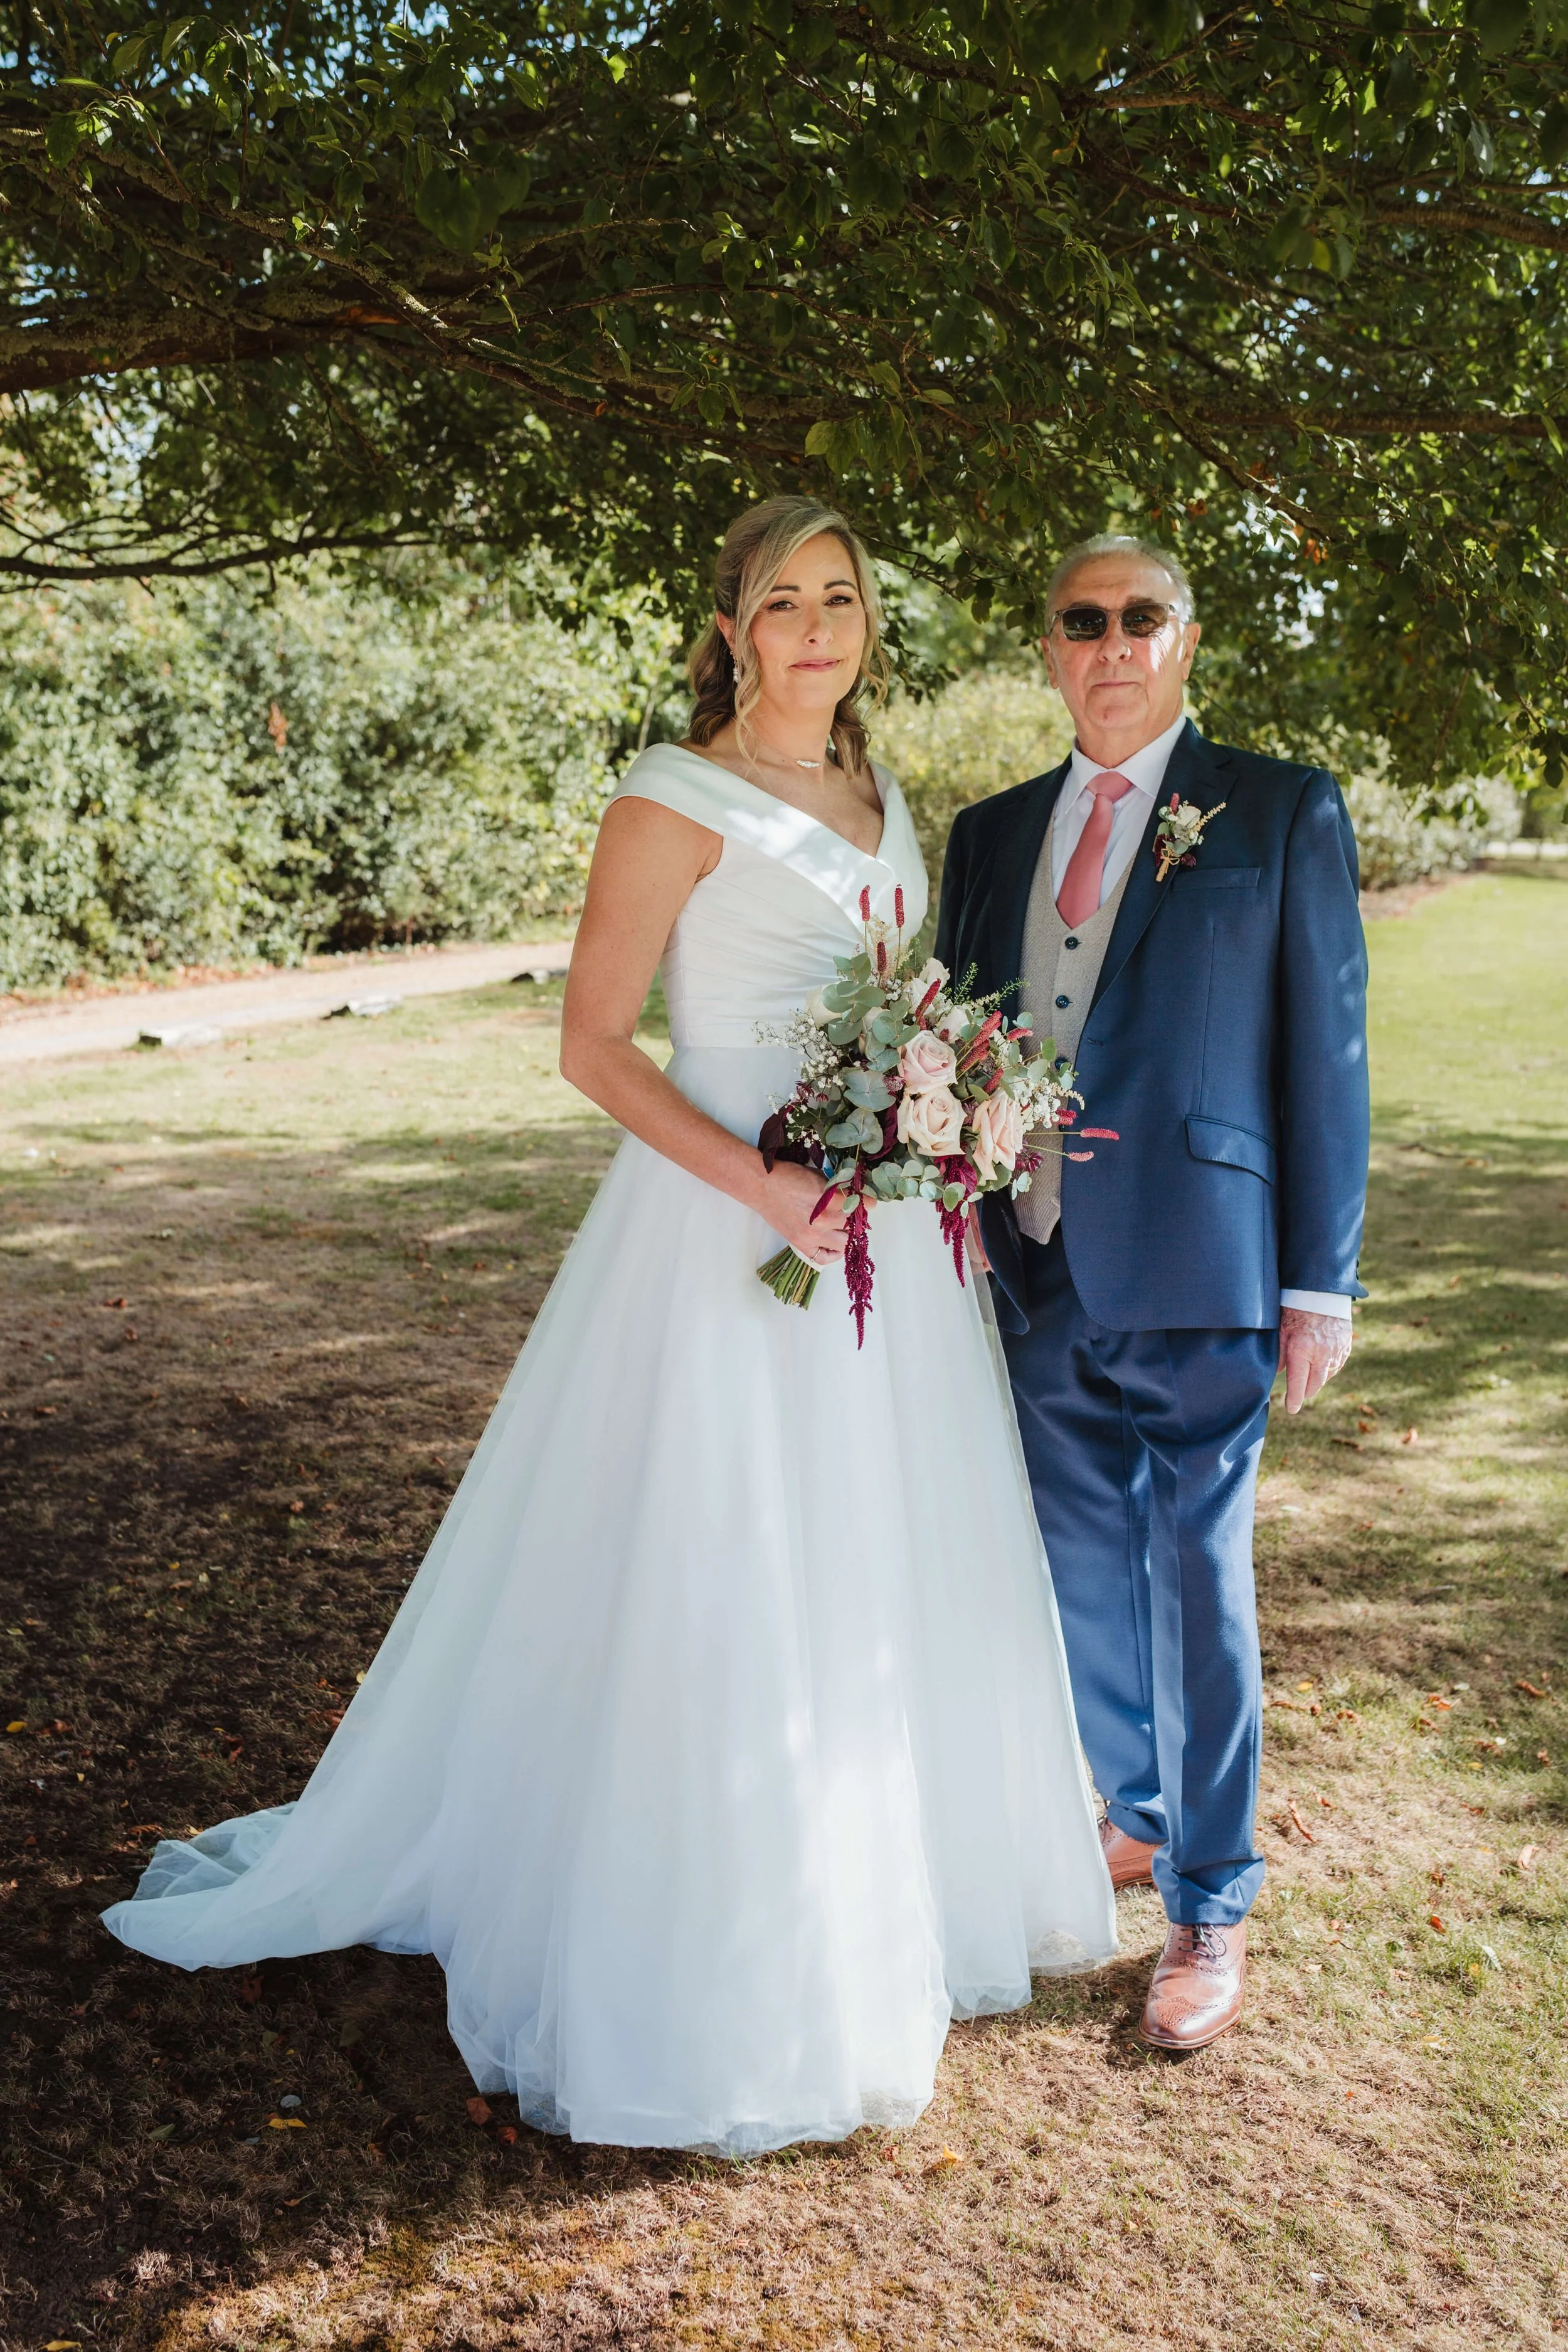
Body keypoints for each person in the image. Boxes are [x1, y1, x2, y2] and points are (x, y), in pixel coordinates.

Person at [102, 495, 1115, 2155]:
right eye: (781, 600)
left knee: (877, 1562)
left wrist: (932, 1128)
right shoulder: (671, 794)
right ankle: (722, 1955)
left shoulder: (881, 790)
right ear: (729, 624)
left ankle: (884, 1888)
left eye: (840, 598)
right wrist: (760, 1185)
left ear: (866, 622)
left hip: (882, 1242)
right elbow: (592, 1042)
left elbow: (895, 1000)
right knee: (725, 1566)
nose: (813, 626)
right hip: (728, 1232)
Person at [935, 533, 1369, 2053]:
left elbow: (1323, 1051)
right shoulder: (987, 838)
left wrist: (1319, 1280)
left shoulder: (1275, 807)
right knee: (1076, 1571)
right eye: (1081, 619)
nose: (1111, 643)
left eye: (1141, 618)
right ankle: (1126, 1811)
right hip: (1034, 1257)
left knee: (1194, 1574)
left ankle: (1206, 1894)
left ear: (1183, 641)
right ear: (1048, 646)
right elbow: (954, 1038)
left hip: (1202, 1259)